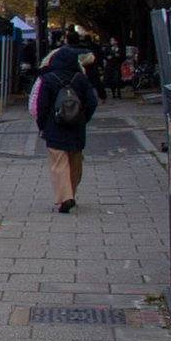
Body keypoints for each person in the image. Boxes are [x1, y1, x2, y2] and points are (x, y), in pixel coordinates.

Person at [33, 30, 99, 214]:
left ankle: (65, 197)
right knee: (75, 162)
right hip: (76, 127)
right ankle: (72, 193)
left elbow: (42, 105)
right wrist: (83, 118)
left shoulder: (48, 79)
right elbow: (92, 102)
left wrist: (42, 125)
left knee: (58, 163)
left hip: (55, 127)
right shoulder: (80, 79)